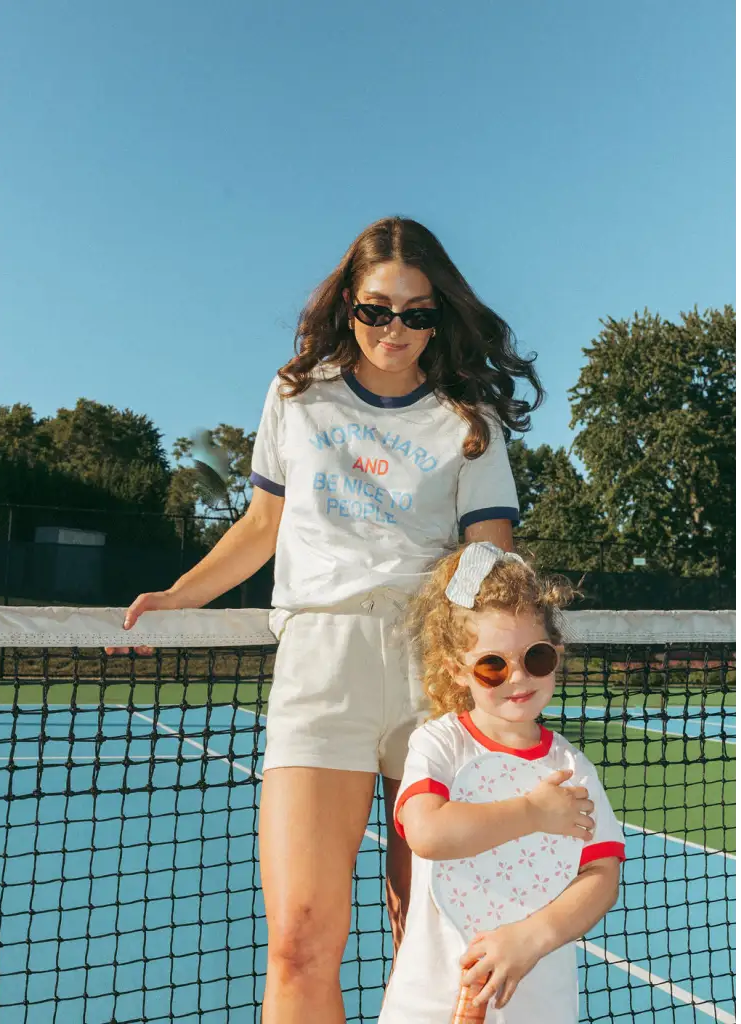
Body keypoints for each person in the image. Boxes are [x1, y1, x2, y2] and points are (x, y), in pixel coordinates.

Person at [106, 216, 547, 1023]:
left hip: (434, 671)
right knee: (301, 942)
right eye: (379, 309)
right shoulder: (296, 394)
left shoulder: (467, 416)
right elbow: (262, 528)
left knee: (440, 941)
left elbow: (492, 552)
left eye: (418, 313)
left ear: (439, 316)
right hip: (321, 663)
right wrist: (180, 593)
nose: (396, 329)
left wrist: (485, 650)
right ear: (349, 304)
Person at [379, 541, 625, 1023]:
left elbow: (601, 876)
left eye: (534, 658)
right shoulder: (439, 745)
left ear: (554, 653)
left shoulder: (572, 768)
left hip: (536, 1000)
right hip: (430, 996)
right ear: (457, 670)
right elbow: (427, 833)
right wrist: (533, 812)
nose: (517, 678)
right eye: (493, 665)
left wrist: (529, 938)